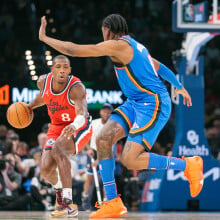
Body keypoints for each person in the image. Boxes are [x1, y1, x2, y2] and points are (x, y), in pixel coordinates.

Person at [39, 14, 204, 218]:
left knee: (130, 159)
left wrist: (45, 39)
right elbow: (158, 66)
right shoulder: (135, 46)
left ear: (108, 29)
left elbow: (75, 49)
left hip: (153, 103)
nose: (102, 35)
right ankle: (112, 201)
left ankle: (189, 165)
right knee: (103, 139)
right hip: (135, 102)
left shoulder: (118, 45)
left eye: (102, 31)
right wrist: (178, 85)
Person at [27, 55, 92, 217]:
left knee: (58, 149)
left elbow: (82, 113)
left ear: (69, 70)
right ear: (52, 69)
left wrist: (74, 125)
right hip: (56, 127)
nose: (62, 70)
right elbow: (45, 96)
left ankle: (69, 203)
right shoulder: (43, 81)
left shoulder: (76, 87)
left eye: (65, 67)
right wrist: (30, 106)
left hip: (79, 125)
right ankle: (60, 196)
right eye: (58, 67)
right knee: (46, 169)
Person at [82, 103, 113, 211]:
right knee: (89, 178)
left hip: (106, 152)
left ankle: (105, 201)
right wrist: (88, 149)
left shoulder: (112, 126)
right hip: (93, 151)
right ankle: (85, 198)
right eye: (104, 111)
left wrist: (99, 160)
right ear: (100, 112)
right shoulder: (94, 123)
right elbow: (85, 138)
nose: (106, 114)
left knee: (106, 178)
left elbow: (110, 146)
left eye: (108, 112)